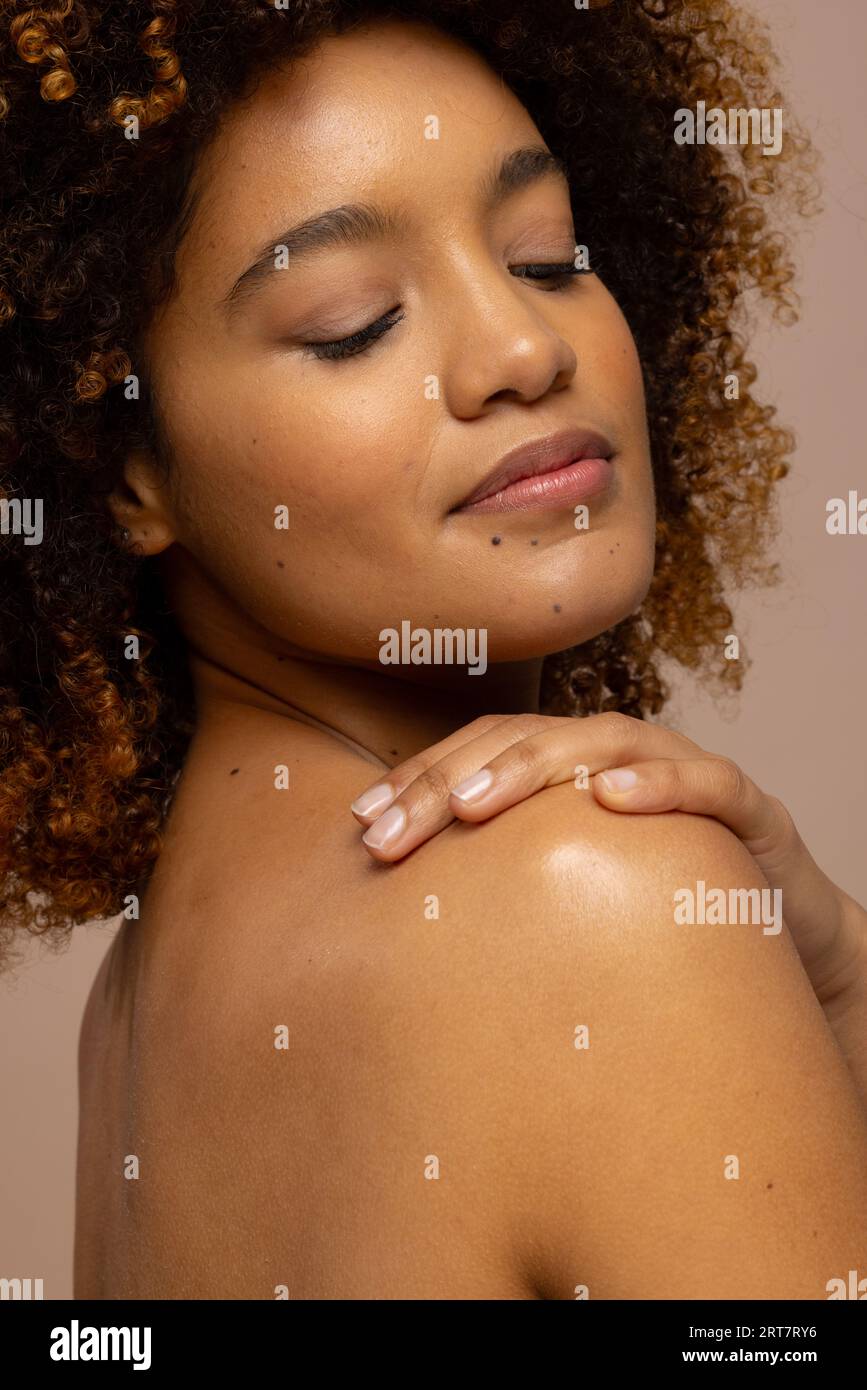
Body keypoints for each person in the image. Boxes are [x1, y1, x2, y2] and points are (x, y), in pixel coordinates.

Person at [1, 1, 864, 1299]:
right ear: (125, 475)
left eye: (547, 255)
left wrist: (843, 976)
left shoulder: (141, 998)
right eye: (354, 323)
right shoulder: (593, 898)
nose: (526, 350)